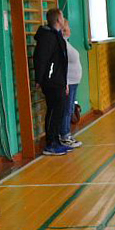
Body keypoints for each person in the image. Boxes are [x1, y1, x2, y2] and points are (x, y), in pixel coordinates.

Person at [33, 8, 70, 156]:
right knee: (54, 111)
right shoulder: (47, 37)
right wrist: (39, 79)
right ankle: (50, 144)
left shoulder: (57, 36)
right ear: (58, 20)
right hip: (51, 82)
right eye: (62, 17)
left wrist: (65, 82)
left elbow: (62, 62)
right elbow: (41, 59)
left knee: (59, 111)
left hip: (59, 81)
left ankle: (56, 139)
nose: (63, 19)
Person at [60, 19, 84, 149]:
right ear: (63, 29)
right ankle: (64, 135)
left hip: (74, 82)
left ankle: (67, 134)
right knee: (67, 109)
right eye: (68, 27)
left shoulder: (66, 43)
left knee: (69, 109)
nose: (70, 29)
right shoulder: (62, 44)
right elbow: (61, 65)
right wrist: (66, 83)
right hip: (69, 82)